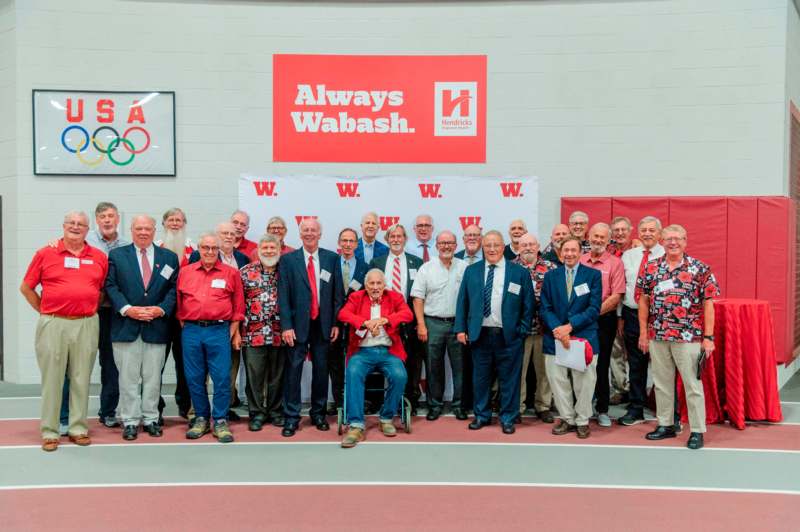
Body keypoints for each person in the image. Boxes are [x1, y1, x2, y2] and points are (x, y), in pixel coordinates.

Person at [20, 211, 108, 451]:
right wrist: (46, 311)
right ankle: (50, 431)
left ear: (88, 229)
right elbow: (26, 287)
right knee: (53, 379)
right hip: (54, 323)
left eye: (81, 224)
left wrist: (85, 306)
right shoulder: (45, 253)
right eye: (72, 223)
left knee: (81, 377)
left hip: (87, 323)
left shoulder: (99, 257)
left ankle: (78, 428)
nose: (76, 227)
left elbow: (100, 291)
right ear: (64, 226)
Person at [637, 224, 719, 450]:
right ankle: (666, 424)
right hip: (658, 334)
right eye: (669, 239)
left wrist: (708, 337)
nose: (673, 243)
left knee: (692, 385)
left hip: (689, 337)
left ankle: (697, 430)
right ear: (661, 241)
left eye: (678, 239)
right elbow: (643, 300)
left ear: (686, 241)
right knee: (662, 384)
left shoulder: (700, 269)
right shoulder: (651, 268)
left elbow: (708, 304)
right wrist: (644, 332)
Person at [104, 215, 179, 440]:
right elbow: (111, 285)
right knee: (127, 379)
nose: (143, 232)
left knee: (153, 378)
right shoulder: (117, 255)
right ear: (132, 230)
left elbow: (174, 289)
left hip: (156, 326)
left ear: (155, 230)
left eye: (148, 228)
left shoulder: (169, 257)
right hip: (126, 326)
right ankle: (129, 420)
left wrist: (161, 309)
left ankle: (151, 419)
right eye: (139, 229)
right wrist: (127, 308)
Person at [455, 230, 534, 435]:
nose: (491, 249)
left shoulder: (519, 272)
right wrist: (461, 328)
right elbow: (463, 301)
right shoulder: (472, 271)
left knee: (510, 380)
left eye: (496, 245)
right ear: (483, 247)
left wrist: (522, 330)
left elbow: (529, 305)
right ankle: (481, 415)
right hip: (479, 334)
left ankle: (508, 417)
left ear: (503, 247)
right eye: (488, 245)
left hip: (509, 336)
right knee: (480, 379)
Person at [278, 218, 344, 437]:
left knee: (321, 371)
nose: (309, 233)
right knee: (293, 371)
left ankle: (318, 414)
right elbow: (283, 295)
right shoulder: (288, 260)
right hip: (297, 326)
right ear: (299, 234)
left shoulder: (332, 258)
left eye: (313, 230)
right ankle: (291, 417)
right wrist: (286, 326)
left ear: (320, 233)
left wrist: (335, 322)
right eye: (305, 230)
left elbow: (337, 295)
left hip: (323, 325)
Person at [177, 232, 244, 443]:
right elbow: (179, 305)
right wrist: (190, 326)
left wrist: (232, 331)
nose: (209, 252)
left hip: (219, 331)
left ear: (219, 250)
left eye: (214, 248)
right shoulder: (185, 273)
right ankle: (201, 418)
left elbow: (238, 307)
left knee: (223, 378)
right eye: (205, 248)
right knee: (194, 378)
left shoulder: (231, 273)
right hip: (191, 331)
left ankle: (221, 419)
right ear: (199, 249)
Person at [338, 269, 414, 448]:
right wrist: (364, 323)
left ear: (384, 284)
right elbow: (343, 314)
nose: (375, 287)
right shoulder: (356, 297)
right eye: (371, 284)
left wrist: (386, 320)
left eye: (378, 283)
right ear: (365, 286)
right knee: (353, 373)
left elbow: (408, 314)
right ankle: (356, 425)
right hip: (361, 352)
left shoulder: (394, 297)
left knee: (400, 375)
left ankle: (386, 418)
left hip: (388, 351)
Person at [540, 236, 602, 439]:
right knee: (558, 381)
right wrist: (559, 330)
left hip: (583, 337)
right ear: (560, 253)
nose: (569, 254)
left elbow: (594, 309)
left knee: (584, 382)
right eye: (565, 250)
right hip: (555, 337)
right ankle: (567, 418)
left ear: (580, 252)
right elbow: (545, 307)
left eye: (573, 250)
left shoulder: (593, 275)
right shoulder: (550, 276)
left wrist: (570, 327)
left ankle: (582, 420)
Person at [189, 222, 250, 414]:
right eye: (224, 233)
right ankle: (197, 412)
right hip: (199, 328)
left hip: (229, 325)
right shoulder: (197, 258)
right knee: (199, 374)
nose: (229, 236)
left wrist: (236, 329)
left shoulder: (242, 259)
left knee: (226, 374)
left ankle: (224, 410)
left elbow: (241, 299)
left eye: (232, 233)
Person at [410, 230, 468, 421]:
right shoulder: (426, 268)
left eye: (450, 243)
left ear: (456, 245)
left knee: (460, 367)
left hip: (458, 324)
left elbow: (469, 298)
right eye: (442, 243)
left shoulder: (464, 267)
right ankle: (434, 405)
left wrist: (464, 326)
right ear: (436, 246)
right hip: (432, 323)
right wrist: (421, 324)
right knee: (434, 367)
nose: (446, 246)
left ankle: (459, 405)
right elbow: (418, 298)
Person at [370, 223, 425, 413]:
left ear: (405, 239)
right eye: (392, 237)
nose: (396, 240)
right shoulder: (377, 262)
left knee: (412, 361)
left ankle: (410, 401)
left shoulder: (417, 263)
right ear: (387, 240)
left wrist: (419, 322)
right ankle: (377, 401)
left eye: (399, 236)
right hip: (381, 321)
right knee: (378, 358)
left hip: (408, 320)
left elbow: (420, 295)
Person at [86, 201, 130, 428]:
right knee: (79, 363)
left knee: (111, 362)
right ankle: (70, 414)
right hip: (89, 311)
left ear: (117, 219)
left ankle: (108, 410)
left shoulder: (126, 245)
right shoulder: (87, 241)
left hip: (115, 311)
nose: (107, 220)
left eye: (111, 216)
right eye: (102, 216)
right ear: (97, 220)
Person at [618, 216, 665, 426]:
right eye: (643, 230)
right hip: (631, 314)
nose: (647, 233)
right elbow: (622, 287)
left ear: (660, 233)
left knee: (663, 364)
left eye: (651, 230)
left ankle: (666, 410)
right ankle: (636, 407)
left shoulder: (667, 255)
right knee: (635, 364)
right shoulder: (629, 255)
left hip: (659, 317)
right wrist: (620, 316)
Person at [579, 223, 625, 428]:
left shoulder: (615, 263)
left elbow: (616, 296)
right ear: (589, 237)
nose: (598, 240)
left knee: (602, 363)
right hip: (579, 320)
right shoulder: (579, 260)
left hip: (603, 319)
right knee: (580, 363)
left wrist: (591, 313)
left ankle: (602, 409)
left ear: (608, 241)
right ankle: (581, 407)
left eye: (602, 238)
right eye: (595, 236)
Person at [240, 234, 285, 431]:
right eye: (265, 248)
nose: (268, 251)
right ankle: (257, 413)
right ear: (259, 250)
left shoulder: (287, 271)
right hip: (253, 334)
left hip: (280, 334)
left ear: (279, 250)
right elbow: (237, 304)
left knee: (277, 376)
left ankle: (275, 411)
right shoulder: (245, 272)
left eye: (272, 248)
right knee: (255, 377)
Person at [513, 233, 556, 423]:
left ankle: (543, 406)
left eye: (531, 244)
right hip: (518, 330)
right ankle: (518, 407)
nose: (528, 247)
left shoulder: (551, 268)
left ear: (538, 246)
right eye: (524, 245)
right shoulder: (510, 267)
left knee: (544, 371)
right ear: (518, 247)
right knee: (518, 371)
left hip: (544, 329)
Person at [156, 207, 193, 419]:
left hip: (185, 319)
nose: (175, 223)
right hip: (160, 317)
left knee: (184, 364)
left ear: (184, 223)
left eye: (179, 220)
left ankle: (184, 404)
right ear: (164, 224)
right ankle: (155, 406)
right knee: (156, 365)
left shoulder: (194, 250)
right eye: (171, 220)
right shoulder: (156, 249)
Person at [329, 228, 369, 414]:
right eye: (344, 240)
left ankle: (357, 400)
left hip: (355, 323)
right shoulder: (330, 264)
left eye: (351, 241)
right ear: (339, 242)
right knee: (335, 363)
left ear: (356, 244)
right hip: (333, 323)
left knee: (356, 363)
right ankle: (338, 401)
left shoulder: (365, 267)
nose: (347, 244)